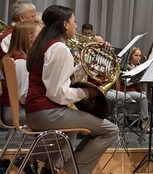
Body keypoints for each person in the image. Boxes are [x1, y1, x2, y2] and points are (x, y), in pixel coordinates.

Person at [25, 5, 118, 174]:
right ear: (65, 24)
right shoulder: (60, 48)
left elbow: (62, 78)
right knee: (110, 131)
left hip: (36, 112)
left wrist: (87, 63)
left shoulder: (44, 44)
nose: (76, 26)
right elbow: (58, 94)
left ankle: (50, 168)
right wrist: (87, 92)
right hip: (47, 113)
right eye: (74, 21)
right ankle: (69, 172)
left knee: (77, 128)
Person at [1, 21, 40, 130]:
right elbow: (24, 96)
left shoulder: (15, 56)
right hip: (16, 112)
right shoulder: (21, 62)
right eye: (40, 34)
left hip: (13, 109)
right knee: (64, 120)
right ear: (30, 37)